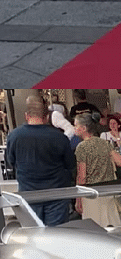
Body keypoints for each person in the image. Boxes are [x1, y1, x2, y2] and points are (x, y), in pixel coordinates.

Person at [5, 96, 76, 226]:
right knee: (57, 235)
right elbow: (70, 165)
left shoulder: (14, 136)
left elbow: (10, 163)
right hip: (57, 195)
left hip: (29, 194)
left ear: (27, 116)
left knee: (33, 235)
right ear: (47, 117)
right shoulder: (59, 137)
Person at [74, 114, 121, 225]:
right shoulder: (103, 143)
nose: (74, 128)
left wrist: (78, 198)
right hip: (108, 189)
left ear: (84, 128)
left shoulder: (82, 147)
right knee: (112, 223)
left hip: (91, 193)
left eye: (76, 125)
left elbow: (82, 176)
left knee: (95, 227)